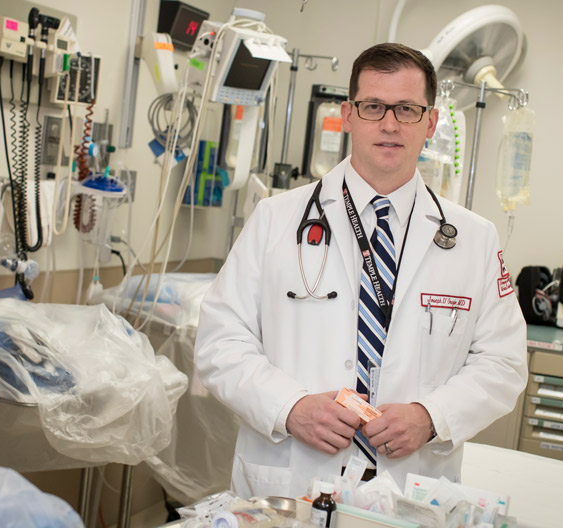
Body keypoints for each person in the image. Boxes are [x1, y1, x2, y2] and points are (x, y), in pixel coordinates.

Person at [194, 42, 527, 499]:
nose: (390, 124)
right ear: (348, 115)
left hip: (410, 487)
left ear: (430, 122)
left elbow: (503, 363)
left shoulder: (475, 238)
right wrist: (288, 407)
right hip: (289, 483)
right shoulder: (275, 219)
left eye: (407, 109)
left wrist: (432, 416)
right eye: (374, 106)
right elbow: (220, 341)